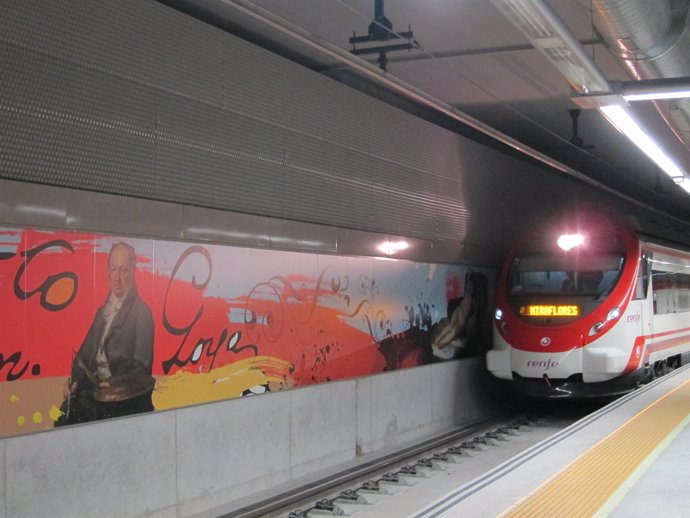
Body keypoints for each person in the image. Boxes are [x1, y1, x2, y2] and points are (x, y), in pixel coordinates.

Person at [57, 242, 154, 424]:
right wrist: (74, 382)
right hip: (95, 397)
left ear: (133, 272)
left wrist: (114, 386)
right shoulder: (102, 313)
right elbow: (82, 357)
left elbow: (142, 372)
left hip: (123, 404)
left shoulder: (142, 314)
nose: (117, 277)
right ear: (107, 273)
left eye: (123, 270)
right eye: (114, 269)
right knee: (61, 416)